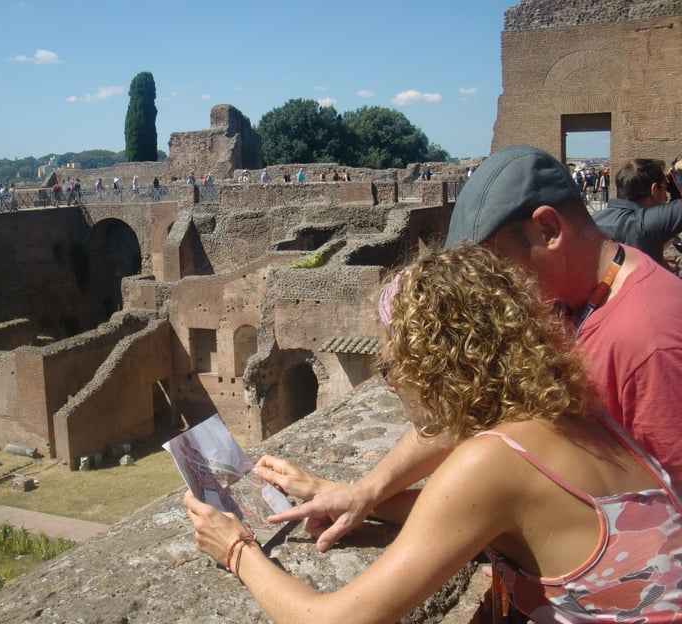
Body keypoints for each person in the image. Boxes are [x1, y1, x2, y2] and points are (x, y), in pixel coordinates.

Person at [185, 244, 682, 623]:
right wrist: (336, 493)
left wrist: (236, 549)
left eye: (392, 360)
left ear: (431, 363)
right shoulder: (570, 413)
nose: (391, 379)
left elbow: (335, 619)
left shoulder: (495, 460)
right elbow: (460, 515)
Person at [259, 144, 682, 553]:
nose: (485, 287)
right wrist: (366, 491)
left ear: (548, 230)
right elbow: (473, 406)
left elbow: (665, 523)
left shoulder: (649, 340)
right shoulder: (560, 299)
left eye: (495, 264)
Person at [592, 158, 682, 267]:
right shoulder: (645, 224)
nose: (666, 197)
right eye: (665, 189)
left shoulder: (593, 220)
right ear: (654, 190)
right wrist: (677, 172)